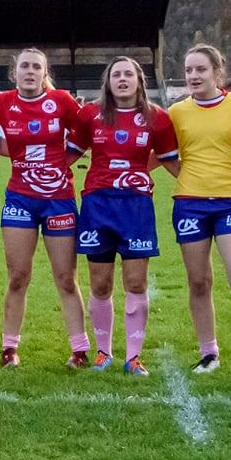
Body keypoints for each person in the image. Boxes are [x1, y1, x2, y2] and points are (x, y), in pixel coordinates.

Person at [0, 48, 88, 369]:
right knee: (17, 277)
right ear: (15, 73)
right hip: (19, 200)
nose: (29, 71)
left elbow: (85, 130)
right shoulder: (2, 102)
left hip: (59, 200)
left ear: (44, 73)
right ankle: (9, 348)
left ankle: (79, 350)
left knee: (66, 278)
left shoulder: (63, 102)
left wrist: (62, 161)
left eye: (36, 67)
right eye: (24, 66)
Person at [72, 58, 178, 376]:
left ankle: (133, 357)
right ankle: (104, 354)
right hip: (98, 204)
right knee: (100, 284)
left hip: (136, 207)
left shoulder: (157, 118)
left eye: (127, 74)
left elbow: (170, 159)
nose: (122, 79)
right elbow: (69, 154)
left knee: (135, 282)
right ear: (108, 82)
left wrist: (202, 183)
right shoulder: (91, 114)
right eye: (116, 74)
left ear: (138, 80)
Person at [166, 45, 231, 384]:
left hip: (230, 201)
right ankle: (209, 353)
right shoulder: (177, 112)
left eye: (200, 70)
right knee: (199, 281)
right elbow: (163, 154)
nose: (193, 76)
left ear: (217, 73)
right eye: (189, 70)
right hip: (189, 203)